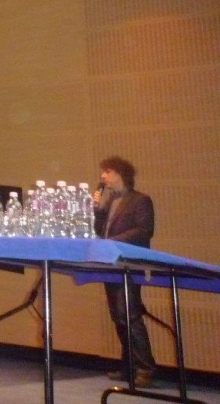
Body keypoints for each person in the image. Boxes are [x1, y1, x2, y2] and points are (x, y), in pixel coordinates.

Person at [93, 156, 156, 387]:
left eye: (107, 171)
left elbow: (144, 230)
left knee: (129, 315)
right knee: (119, 317)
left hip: (129, 264)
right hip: (112, 264)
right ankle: (129, 367)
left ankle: (145, 368)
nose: (103, 176)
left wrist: (114, 241)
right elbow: (100, 231)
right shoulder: (110, 201)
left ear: (120, 174)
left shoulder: (140, 200)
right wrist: (98, 211)